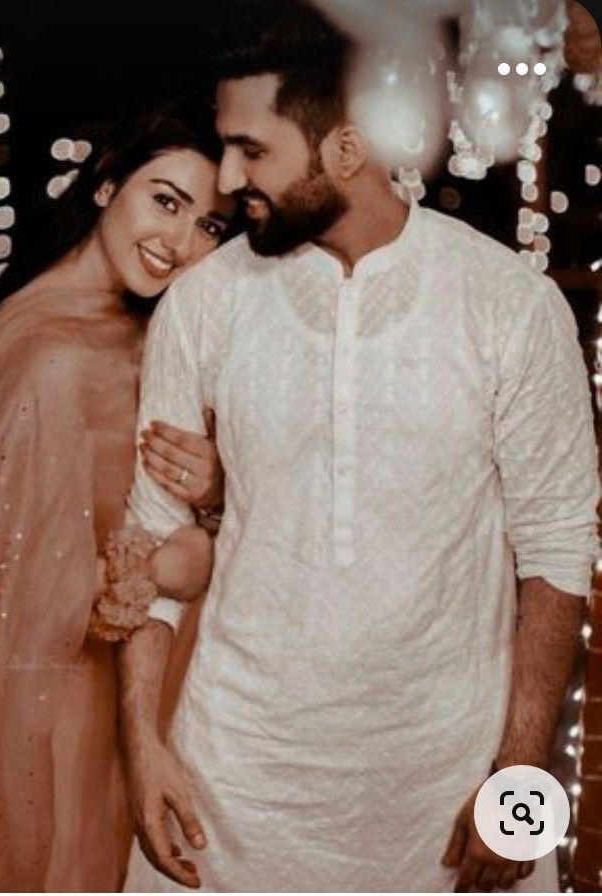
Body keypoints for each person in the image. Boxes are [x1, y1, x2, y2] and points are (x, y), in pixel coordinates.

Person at [118, 2, 600, 892]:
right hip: (232, 794)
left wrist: (521, 781)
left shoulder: (509, 304)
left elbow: (558, 549)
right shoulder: (205, 303)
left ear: (346, 148)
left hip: (443, 796)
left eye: (252, 150)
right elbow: (151, 537)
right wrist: (143, 748)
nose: (227, 178)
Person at [0, 103, 235, 892]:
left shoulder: (125, 328)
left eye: (210, 226)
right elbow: (28, 600)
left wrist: (211, 491)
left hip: (109, 698)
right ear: (107, 184)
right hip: (54, 713)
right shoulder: (49, 358)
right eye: (165, 201)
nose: (178, 243)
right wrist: (188, 560)